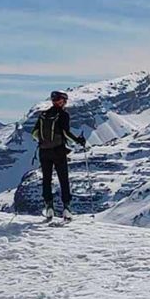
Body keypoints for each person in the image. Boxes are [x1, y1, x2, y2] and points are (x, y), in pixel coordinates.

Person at [31, 90, 88, 219]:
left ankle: (49, 207)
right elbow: (66, 132)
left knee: (46, 179)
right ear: (63, 101)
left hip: (44, 151)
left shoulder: (43, 114)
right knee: (63, 179)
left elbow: (34, 133)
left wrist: (43, 142)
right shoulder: (63, 115)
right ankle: (66, 208)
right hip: (58, 151)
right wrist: (78, 140)